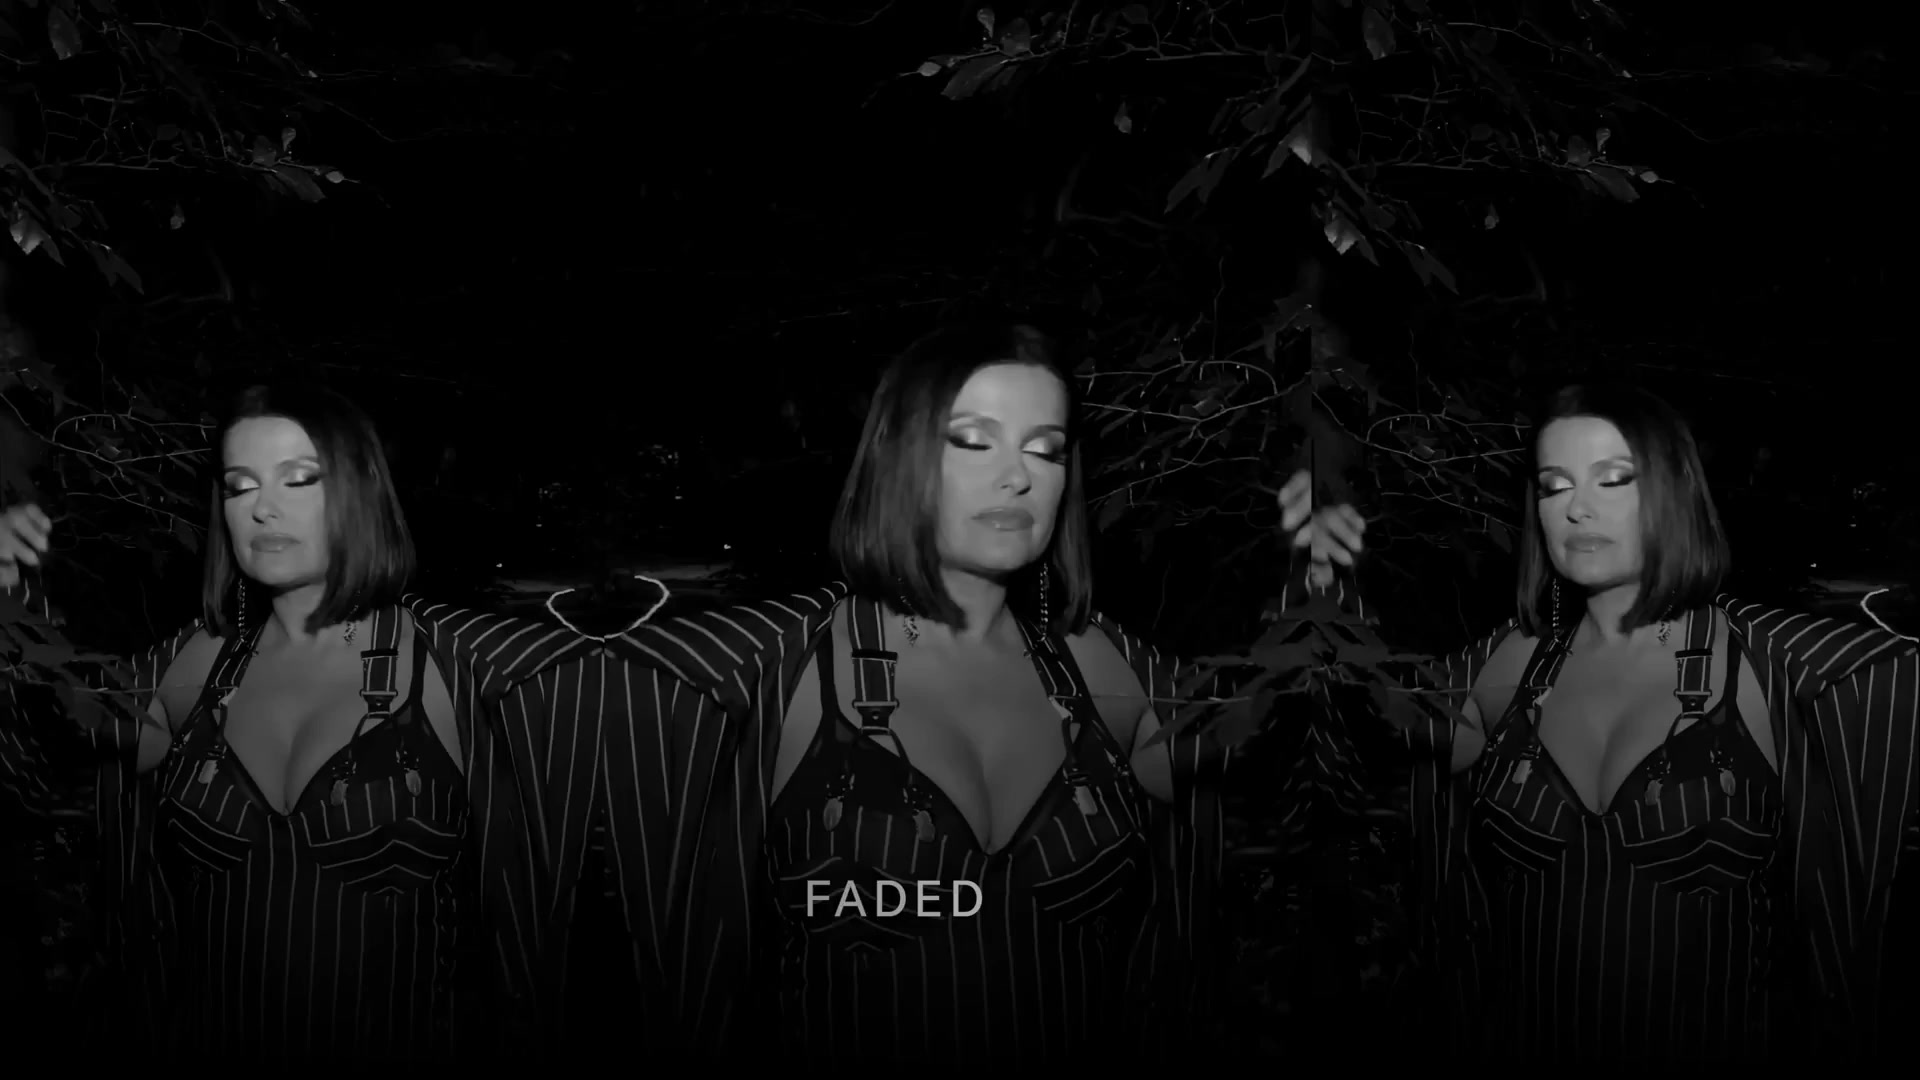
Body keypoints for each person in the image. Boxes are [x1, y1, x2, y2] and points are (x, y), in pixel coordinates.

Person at [557, 322, 1349, 1069]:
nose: (1017, 475)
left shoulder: (1099, 664)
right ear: (898, 455)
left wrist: (1313, 562)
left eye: (1046, 449)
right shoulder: (773, 666)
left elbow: (1256, 737)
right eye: (974, 440)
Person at [1281, 381, 1919, 1063]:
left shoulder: (1785, 666)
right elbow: (1373, 722)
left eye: (1613, 479)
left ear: (1675, 491)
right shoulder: (1508, 662)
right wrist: (1326, 559)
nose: (1577, 507)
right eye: (1553, 486)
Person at [0, 383, 624, 1065]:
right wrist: (11, 590)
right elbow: (53, 743)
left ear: (360, 490)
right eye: (239, 486)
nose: (263, 507)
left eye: (299, 479)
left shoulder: (460, 662)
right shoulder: (195, 663)